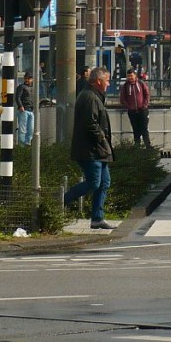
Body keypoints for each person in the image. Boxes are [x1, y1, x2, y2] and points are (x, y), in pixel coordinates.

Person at [63, 66, 114, 230]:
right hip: (90, 149)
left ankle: (97, 218)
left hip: (98, 150)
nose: (108, 84)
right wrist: (101, 139)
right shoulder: (90, 97)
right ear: (98, 81)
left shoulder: (94, 95)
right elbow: (90, 123)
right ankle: (61, 201)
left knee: (104, 182)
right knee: (94, 183)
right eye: (107, 80)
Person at [119, 67, 152, 148]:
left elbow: (147, 94)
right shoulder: (125, 86)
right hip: (132, 111)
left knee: (144, 128)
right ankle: (137, 145)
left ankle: (148, 145)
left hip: (143, 110)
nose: (130, 78)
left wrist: (144, 104)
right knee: (135, 129)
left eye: (131, 76)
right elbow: (122, 98)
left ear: (135, 75)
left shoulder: (141, 83)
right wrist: (129, 106)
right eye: (128, 76)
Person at [14, 71, 34, 146]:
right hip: (23, 110)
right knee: (22, 129)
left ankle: (27, 143)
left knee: (31, 129)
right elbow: (17, 97)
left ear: (31, 79)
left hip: (31, 110)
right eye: (26, 78)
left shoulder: (32, 87)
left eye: (29, 79)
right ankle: (22, 145)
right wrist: (20, 106)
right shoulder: (21, 87)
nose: (27, 80)